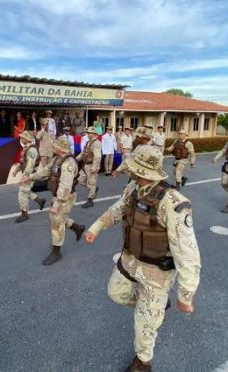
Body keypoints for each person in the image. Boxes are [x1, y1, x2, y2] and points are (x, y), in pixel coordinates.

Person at [84, 145, 201, 372]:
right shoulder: (134, 187)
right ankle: (154, 308)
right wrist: (96, 227)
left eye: (132, 168)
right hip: (130, 260)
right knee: (116, 292)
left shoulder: (173, 203)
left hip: (156, 273)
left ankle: (143, 361)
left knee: (145, 325)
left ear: (142, 171)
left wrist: (186, 295)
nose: (128, 170)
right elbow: (118, 209)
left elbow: (187, 253)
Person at [22, 137, 85, 265]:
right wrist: (30, 177)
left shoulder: (68, 164)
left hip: (64, 197)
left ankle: (57, 252)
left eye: (55, 145)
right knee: (59, 218)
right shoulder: (57, 159)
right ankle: (77, 228)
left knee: (56, 221)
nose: (53, 146)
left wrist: (56, 204)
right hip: (58, 195)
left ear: (60, 148)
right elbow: (46, 171)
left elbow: (65, 187)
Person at [13, 131, 46, 222]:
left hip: (29, 174)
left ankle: (24, 214)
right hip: (26, 173)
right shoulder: (26, 148)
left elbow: (30, 165)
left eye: (23, 137)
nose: (21, 138)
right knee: (26, 190)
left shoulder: (31, 150)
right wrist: (16, 171)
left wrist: (25, 177)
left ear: (27, 139)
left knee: (22, 194)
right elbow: (22, 162)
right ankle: (40, 201)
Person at [76, 126, 102, 208]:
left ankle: (90, 200)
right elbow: (83, 152)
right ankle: (93, 189)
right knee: (80, 180)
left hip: (92, 165)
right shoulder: (88, 142)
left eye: (89, 133)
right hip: (85, 165)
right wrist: (75, 159)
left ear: (94, 134)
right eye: (88, 132)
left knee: (91, 183)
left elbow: (97, 156)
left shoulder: (97, 143)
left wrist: (94, 167)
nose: (88, 134)